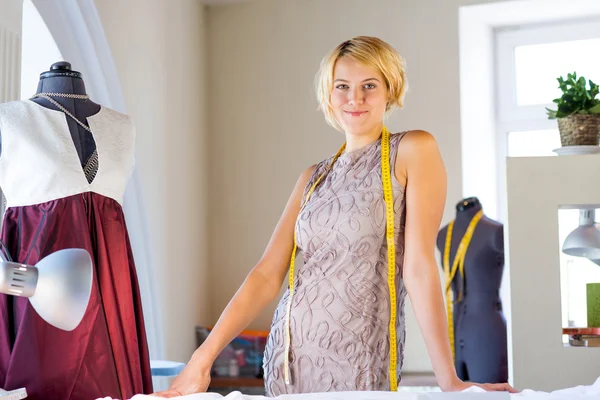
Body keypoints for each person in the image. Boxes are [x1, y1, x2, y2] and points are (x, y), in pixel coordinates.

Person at [153, 36, 516, 397]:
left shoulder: (412, 150)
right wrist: (201, 361)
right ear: (328, 95)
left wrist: (448, 380)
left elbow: (418, 266)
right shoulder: (312, 177)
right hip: (287, 362)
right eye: (342, 86)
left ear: (391, 90)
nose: (354, 98)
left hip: (358, 359)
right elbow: (266, 275)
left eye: (369, 86)